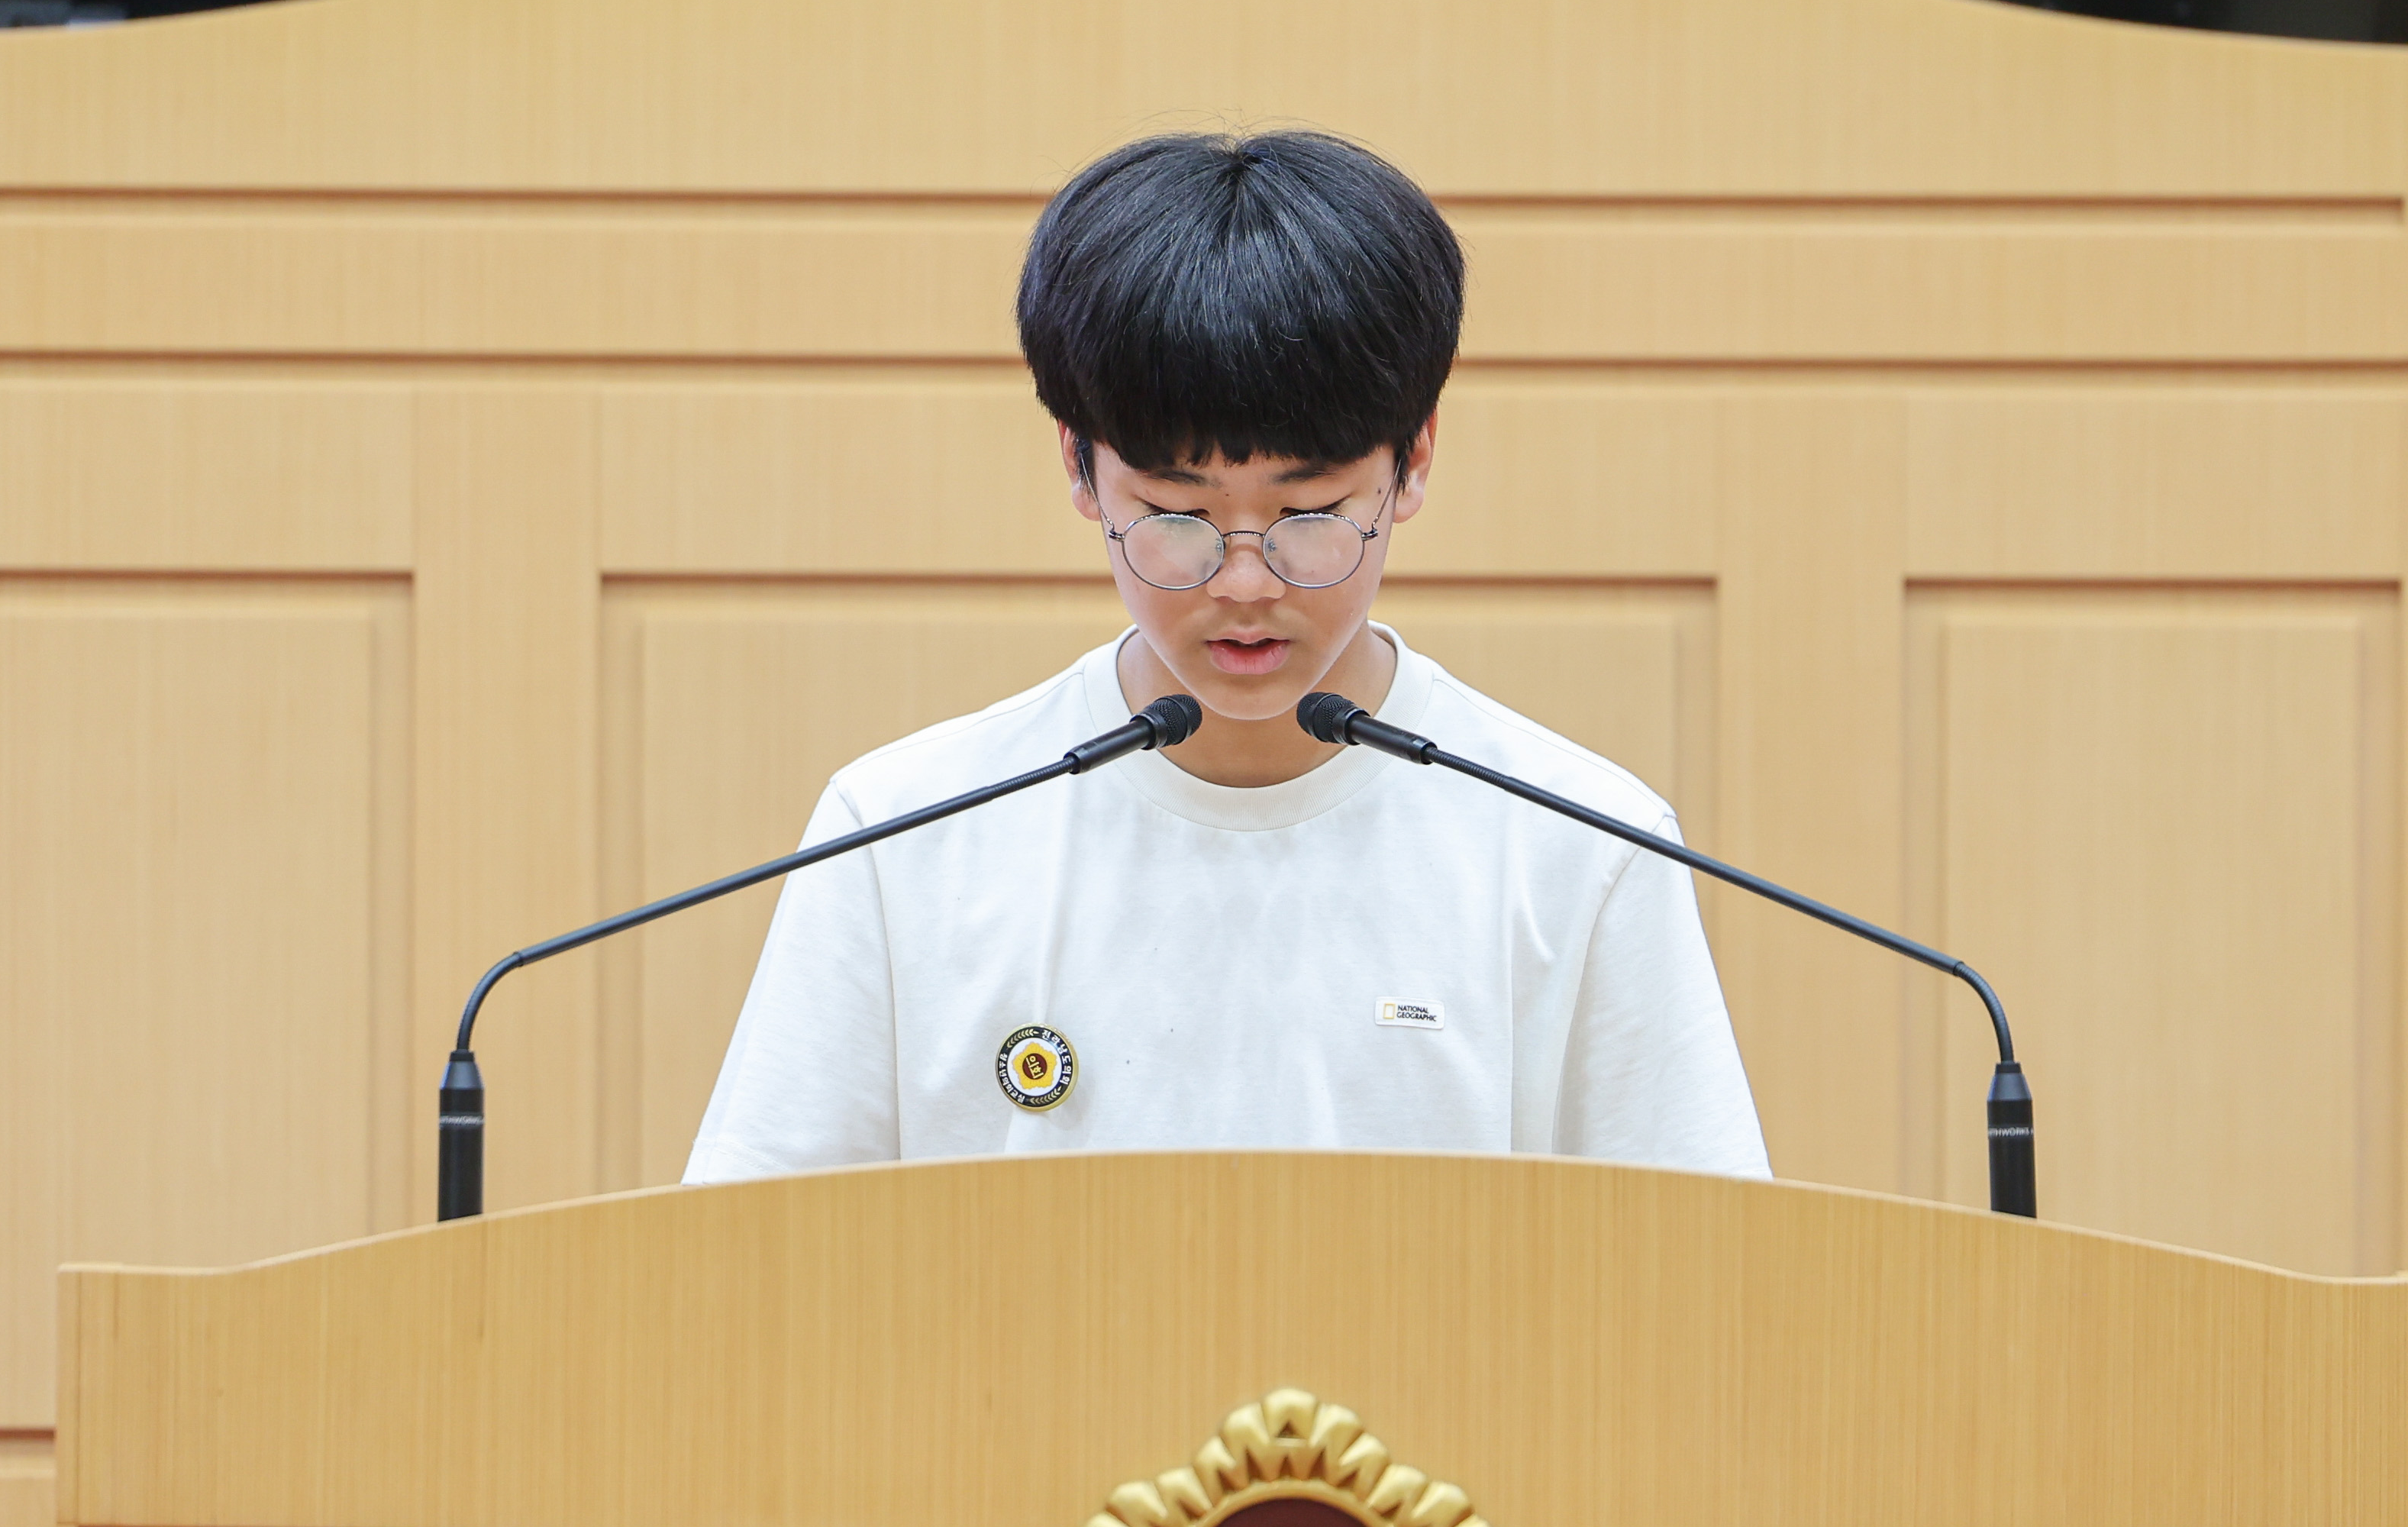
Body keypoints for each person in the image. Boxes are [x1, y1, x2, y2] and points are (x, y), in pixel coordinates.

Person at [684, 131, 1770, 1184]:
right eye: (1175, 514)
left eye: (1309, 511)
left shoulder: (1580, 847)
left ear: (1415, 461)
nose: (1245, 582)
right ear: (1078, 463)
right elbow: (751, 1276)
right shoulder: (903, 837)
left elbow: (1708, 1291)